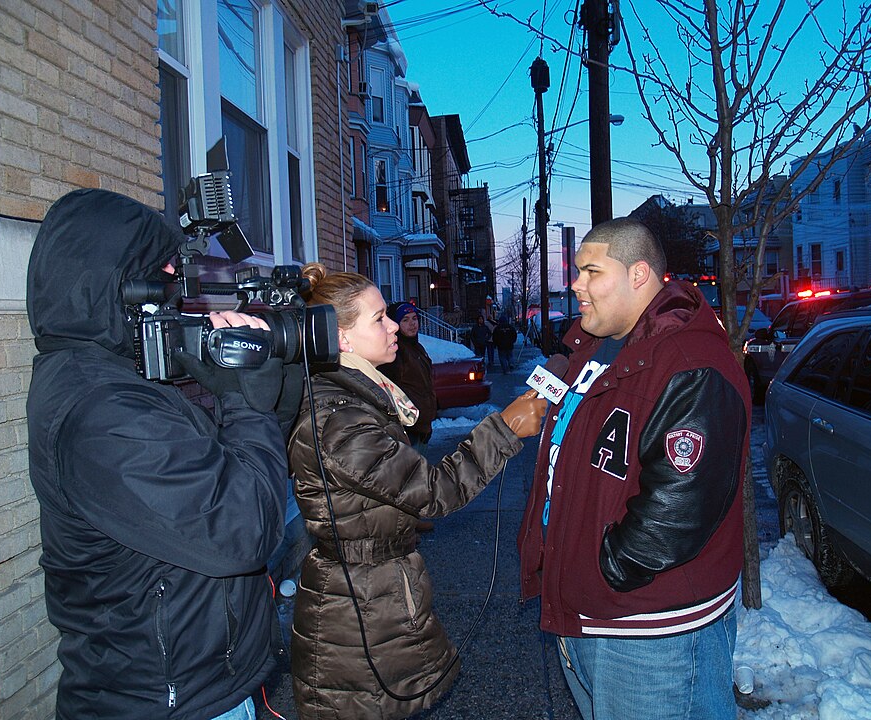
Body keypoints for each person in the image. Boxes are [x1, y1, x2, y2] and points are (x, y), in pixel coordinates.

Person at [25, 189, 301, 719]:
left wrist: (271, 405)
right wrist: (246, 405)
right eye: (164, 271)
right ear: (118, 283)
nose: (176, 286)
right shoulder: (102, 413)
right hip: (167, 703)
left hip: (194, 686)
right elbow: (241, 530)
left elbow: (217, 476)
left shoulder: (113, 380)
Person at [287, 263, 547, 719]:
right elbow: (435, 490)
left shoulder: (358, 395)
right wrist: (505, 429)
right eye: (379, 318)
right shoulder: (342, 419)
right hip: (358, 610)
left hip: (372, 594)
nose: (393, 327)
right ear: (341, 338)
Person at [517, 218, 750, 719]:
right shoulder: (590, 348)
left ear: (638, 274)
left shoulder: (690, 363)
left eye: (590, 271)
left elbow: (678, 506)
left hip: (649, 633)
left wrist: (606, 568)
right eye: (577, 271)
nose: (574, 284)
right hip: (586, 612)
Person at [379, 301, 436, 454]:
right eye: (405, 320)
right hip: (407, 431)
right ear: (396, 324)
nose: (412, 324)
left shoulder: (417, 348)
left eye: (414, 318)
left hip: (422, 428)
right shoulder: (395, 352)